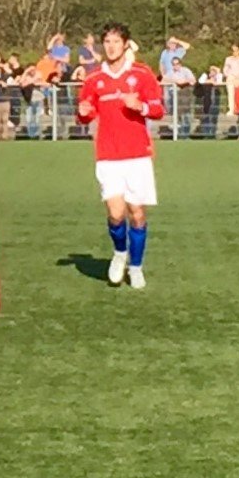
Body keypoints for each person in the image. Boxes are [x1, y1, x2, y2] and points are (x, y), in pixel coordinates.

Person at [75, 23, 164, 290]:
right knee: (116, 213)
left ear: (126, 44)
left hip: (137, 154)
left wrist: (141, 106)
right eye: (107, 42)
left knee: (137, 213)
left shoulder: (142, 74)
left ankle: (136, 267)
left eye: (116, 41)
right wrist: (83, 111)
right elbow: (85, 114)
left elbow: (159, 109)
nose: (111, 46)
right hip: (108, 155)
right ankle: (119, 252)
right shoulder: (93, 79)